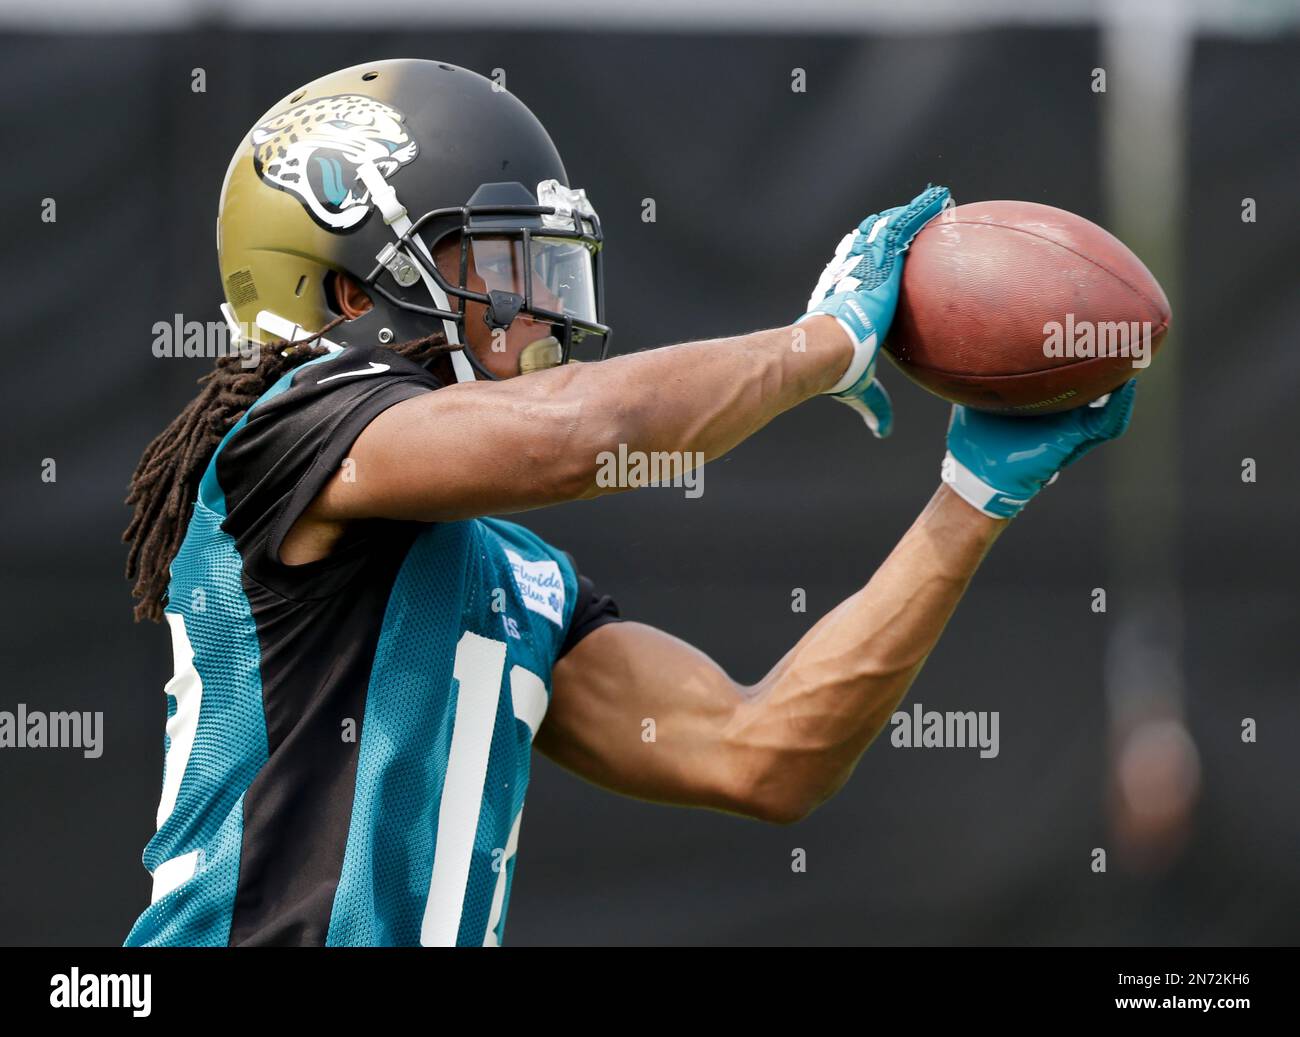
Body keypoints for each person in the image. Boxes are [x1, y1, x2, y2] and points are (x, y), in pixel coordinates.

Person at [122, 58, 1136, 947]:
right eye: (499, 269)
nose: (544, 310)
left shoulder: (517, 580)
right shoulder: (280, 432)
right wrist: (820, 343)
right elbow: (576, 438)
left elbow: (765, 751)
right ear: (353, 293)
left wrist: (970, 501)